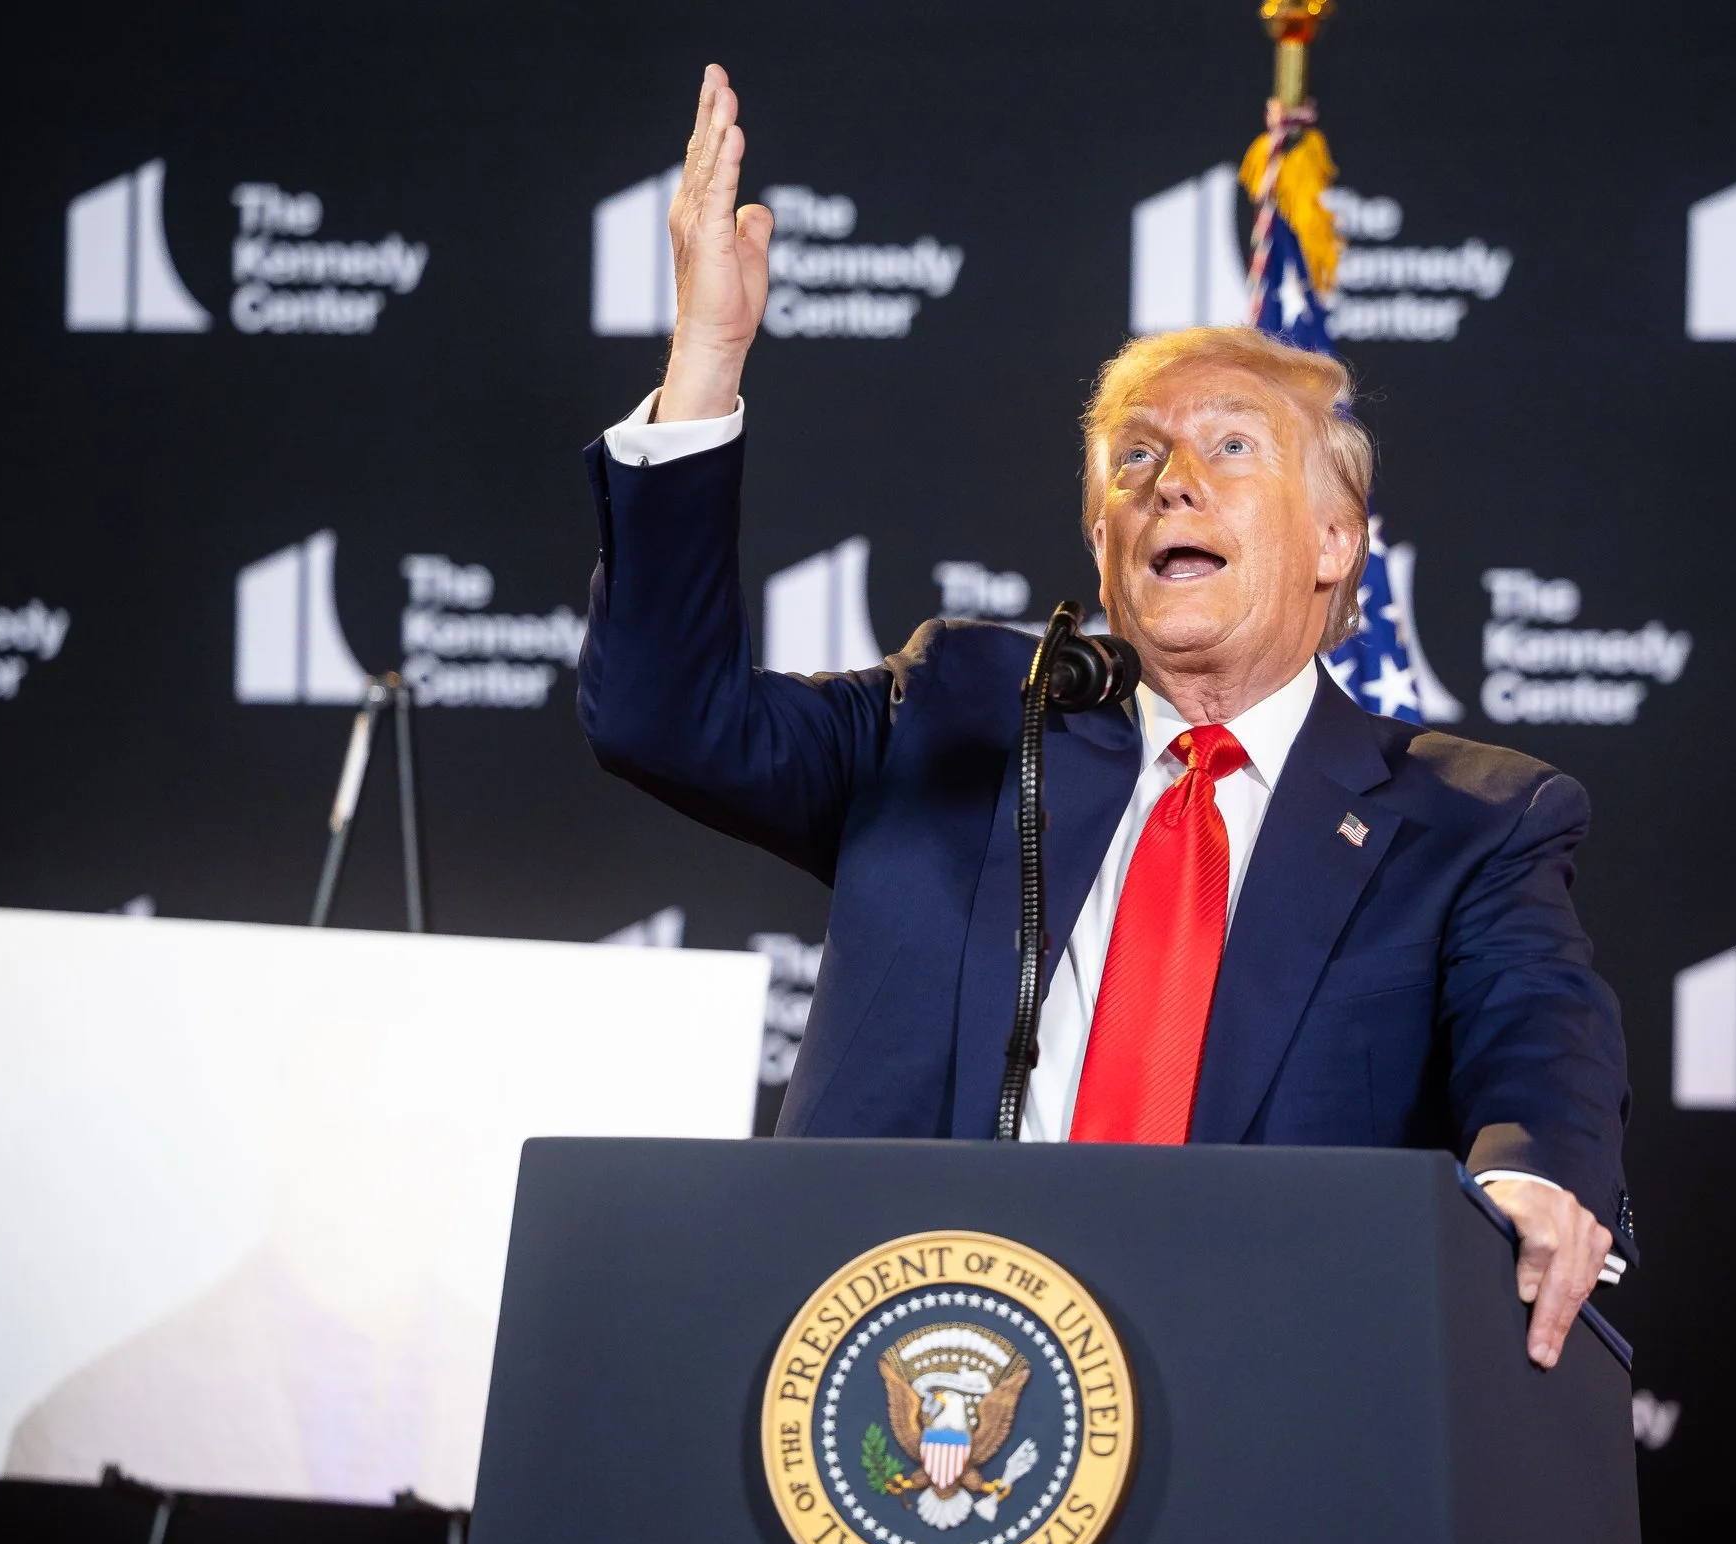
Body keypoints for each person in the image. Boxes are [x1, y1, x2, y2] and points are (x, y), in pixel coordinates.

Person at [579, 66, 1634, 1366]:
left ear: (1336, 541)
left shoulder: (1473, 818)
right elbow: (660, 715)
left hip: (1253, 1394)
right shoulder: (961, 715)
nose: (1173, 480)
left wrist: (1535, 1176)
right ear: (1100, 540)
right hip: (913, 1384)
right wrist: (708, 358)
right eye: (1136, 459)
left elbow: (1540, 1031)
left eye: (1232, 448)